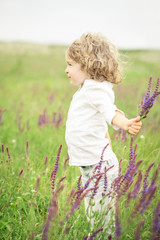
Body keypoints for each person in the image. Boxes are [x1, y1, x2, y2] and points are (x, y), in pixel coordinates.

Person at [64, 33, 142, 233]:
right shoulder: (87, 90)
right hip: (94, 164)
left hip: (99, 167)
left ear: (87, 64)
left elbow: (110, 112)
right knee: (96, 214)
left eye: (70, 64)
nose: (66, 70)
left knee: (100, 219)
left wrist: (124, 123)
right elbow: (101, 123)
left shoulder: (93, 90)